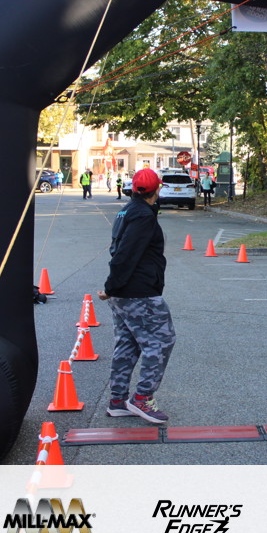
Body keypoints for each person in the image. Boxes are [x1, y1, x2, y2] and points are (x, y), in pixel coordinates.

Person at [97, 168, 176, 424]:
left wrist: (113, 289)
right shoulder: (142, 216)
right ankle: (142, 398)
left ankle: (118, 401)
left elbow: (120, 249)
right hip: (138, 292)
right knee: (162, 341)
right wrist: (111, 287)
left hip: (124, 293)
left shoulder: (127, 210)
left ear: (133, 189)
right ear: (157, 189)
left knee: (128, 343)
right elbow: (125, 254)